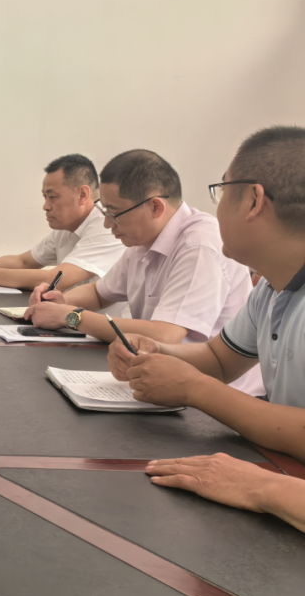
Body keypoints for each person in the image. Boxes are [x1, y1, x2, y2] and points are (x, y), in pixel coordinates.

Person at [105, 127, 305, 530]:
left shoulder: (202, 244)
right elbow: (219, 358)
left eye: (222, 191)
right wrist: (158, 353)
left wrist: (194, 389)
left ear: (253, 200)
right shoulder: (271, 288)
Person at [25, 149, 255, 358]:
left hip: (209, 385)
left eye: (114, 214)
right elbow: (99, 293)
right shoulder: (142, 240)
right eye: (104, 211)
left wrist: (71, 316)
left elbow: (165, 335)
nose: (107, 224)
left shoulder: (199, 246)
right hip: (156, 371)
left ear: (155, 207)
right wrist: (59, 301)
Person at [0, 154, 124, 291]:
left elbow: (57, 280)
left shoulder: (107, 225)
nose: (45, 206)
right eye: (45, 197)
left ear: (82, 195)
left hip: (101, 323)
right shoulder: (66, 226)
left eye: (52, 197)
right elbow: (23, 262)